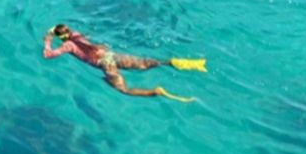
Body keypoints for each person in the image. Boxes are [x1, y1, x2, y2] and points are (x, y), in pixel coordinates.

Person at [42, 23, 205, 102]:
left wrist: (48, 41)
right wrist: (54, 32)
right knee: (144, 64)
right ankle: (173, 62)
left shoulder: (68, 45)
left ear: (61, 37)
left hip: (104, 64)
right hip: (110, 55)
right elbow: (64, 32)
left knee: (124, 90)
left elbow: (48, 55)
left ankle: (155, 92)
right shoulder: (77, 34)